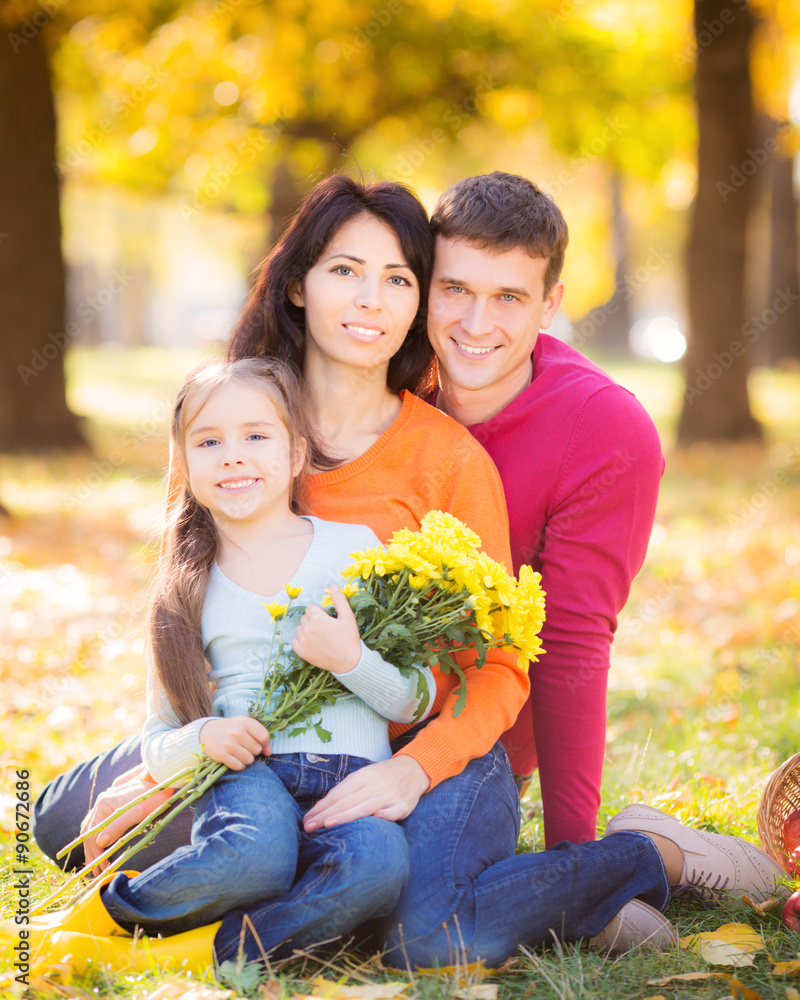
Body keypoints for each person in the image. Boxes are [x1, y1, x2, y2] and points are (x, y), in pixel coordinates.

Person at [29, 174, 785, 974]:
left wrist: (411, 770)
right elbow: (191, 598)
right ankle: (436, 890)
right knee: (59, 825)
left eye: (396, 279)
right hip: (260, 744)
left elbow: (517, 659)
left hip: (425, 744)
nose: (371, 299)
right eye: (346, 271)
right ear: (298, 285)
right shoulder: (242, 420)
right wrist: (167, 762)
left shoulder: (447, 457)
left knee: (428, 937)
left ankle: (642, 856)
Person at [97, 355, 437, 938]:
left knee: (380, 867)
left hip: (351, 783)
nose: (233, 455)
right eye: (208, 441)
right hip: (251, 776)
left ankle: (224, 948)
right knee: (256, 853)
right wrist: (204, 737)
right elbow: (157, 739)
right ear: (184, 465)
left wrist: (352, 662)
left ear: (296, 452)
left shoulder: (355, 550)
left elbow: (419, 697)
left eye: (256, 435)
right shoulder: (186, 583)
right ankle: (113, 916)